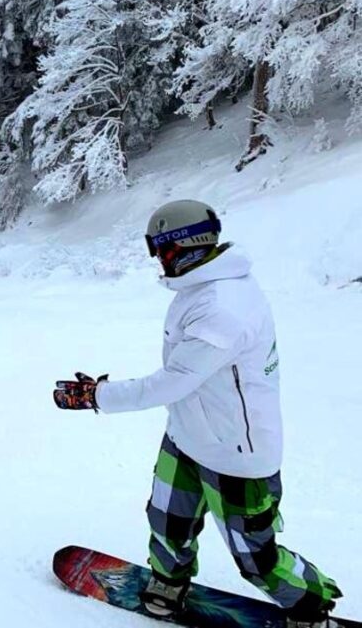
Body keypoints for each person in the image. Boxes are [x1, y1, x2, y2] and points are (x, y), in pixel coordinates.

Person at [53, 200, 342, 628]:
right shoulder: (202, 287)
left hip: (238, 456)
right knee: (168, 519)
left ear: (181, 246)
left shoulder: (224, 307)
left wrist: (99, 395)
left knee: (255, 556)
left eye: (160, 251)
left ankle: (310, 605)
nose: (158, 262)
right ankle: (168, 583)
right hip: (189, 434)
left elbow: (171, 382)